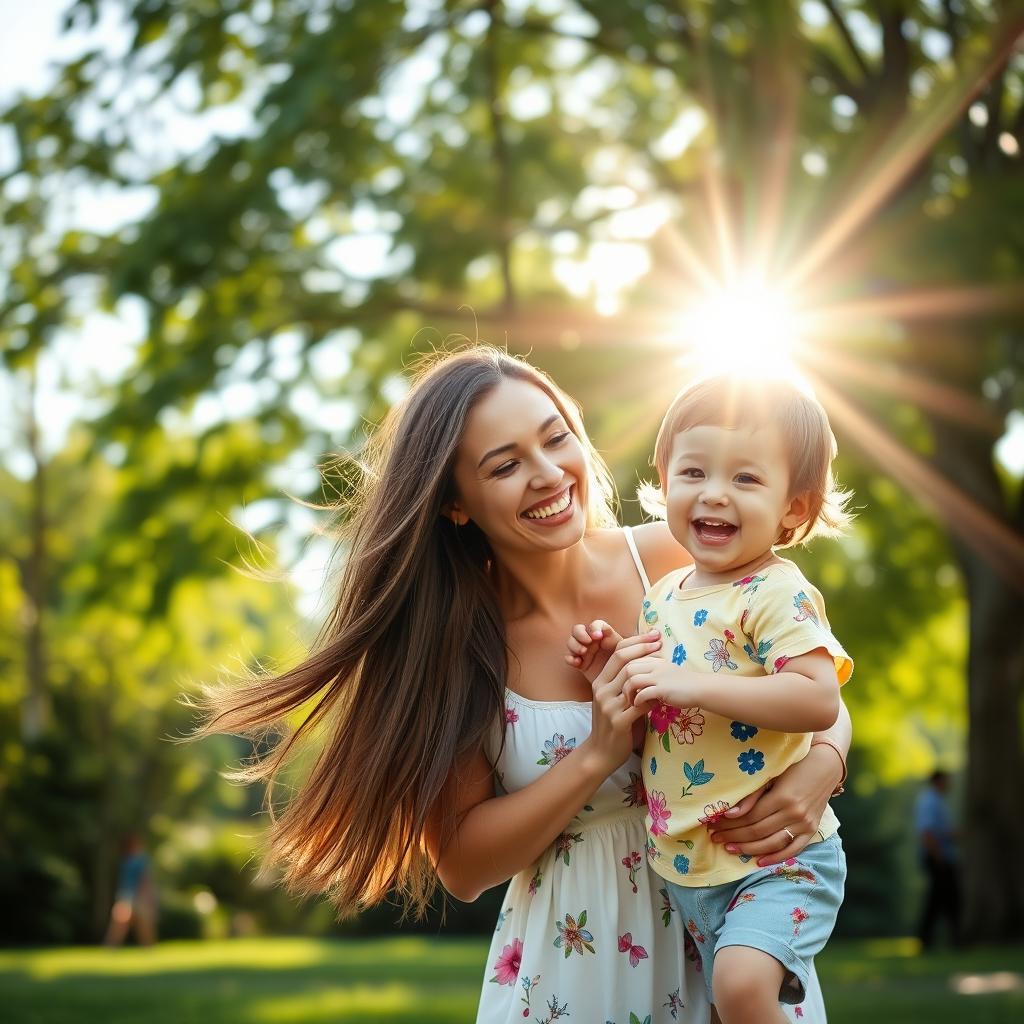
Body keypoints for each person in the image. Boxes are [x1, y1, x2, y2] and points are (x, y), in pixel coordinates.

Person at [197, 347, 851, 1023]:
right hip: (579, 959)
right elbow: (463, 865)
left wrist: (822, 767)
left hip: (734, 920)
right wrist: (597, 752)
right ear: (454, 502)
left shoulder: (677, 555)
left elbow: (816, 679)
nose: (547, 474)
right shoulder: (455, 647)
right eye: (505, 465)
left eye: (555, 437)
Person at [568, 374, 853, 1024]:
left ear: (794, 509)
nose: (714, 494)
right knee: (730, 1007)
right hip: (692, 869)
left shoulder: (777, 592)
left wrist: (690, 683)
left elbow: (817, 700)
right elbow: (656, 716)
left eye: (747, 480)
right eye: (693, 471)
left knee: (743, 993)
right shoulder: (664, 596)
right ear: (665, 482)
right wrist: (608, 670)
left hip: (777, 864)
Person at [914, 769, 960, 948]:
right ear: (938, 781)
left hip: (939, 856)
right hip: (938, 857)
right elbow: (927, 832)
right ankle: (934, 939)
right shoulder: (930, 801)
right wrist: (939, 857)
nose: (950, 785)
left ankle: (930, 940)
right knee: (943, 899)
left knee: (939, 900)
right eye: (947, 780)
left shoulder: (935, 800)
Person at [104, 833, 158, 946]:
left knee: (143, 925)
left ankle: (148, 948)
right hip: (126, 895)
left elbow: (145, 878)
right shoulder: (126, 860)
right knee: (120, 922)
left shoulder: (141, 860)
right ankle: (110, 947)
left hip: (138, 896)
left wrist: (146, 896)